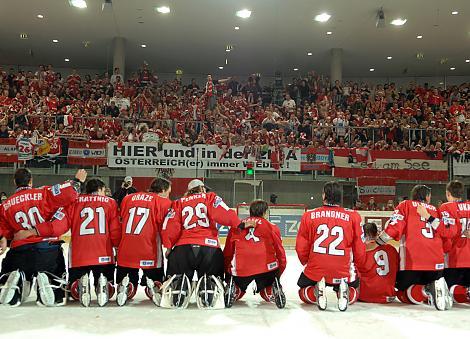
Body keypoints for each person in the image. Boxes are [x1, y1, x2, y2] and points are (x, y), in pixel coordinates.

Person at [26, 179, 121, 307]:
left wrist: (36, 230)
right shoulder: (111, 203)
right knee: (109, 289)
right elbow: (115, 230)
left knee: (73, 293)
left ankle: (78, 285)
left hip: (79, 255)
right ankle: (104, 284)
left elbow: (58, 225)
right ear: (99, 189)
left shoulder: (73, 202)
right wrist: (118, 246)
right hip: (103, 254)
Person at [0, 168, 87, 307]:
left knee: (9, 270)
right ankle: (50, 282)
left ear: (14, 182)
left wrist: (3, 237)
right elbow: (69, 193)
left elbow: (4, 229)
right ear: (31, 181)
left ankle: (16, 283)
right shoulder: (44, 193)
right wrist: (77, 181)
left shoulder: (5, 205)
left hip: (19, 252)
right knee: (56, 272)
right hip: (46, 251)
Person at [160, 179, 249, 309]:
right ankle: (209, 290)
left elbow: (171, 226)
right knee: (212, 276)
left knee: (178, 276)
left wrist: (168, 247)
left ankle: (179, 290)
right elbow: (224, 213)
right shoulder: (210, 197)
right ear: (202, 189)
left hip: (183, 249)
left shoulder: (178, 203)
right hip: (209, 249)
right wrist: (239, 224)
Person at [376, 185, 452, 310]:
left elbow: (395, 227)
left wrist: (379, 241)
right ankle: (431, 288)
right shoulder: (436, 210)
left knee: (402, 294)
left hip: (413, 262)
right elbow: (445, 236)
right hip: (436, 263)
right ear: (427, 197)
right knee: (418, 294)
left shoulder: (405, 205)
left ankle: (425, 289)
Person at [296, 181, 366, 311]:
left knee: (303, 292)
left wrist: (306, 261)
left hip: (316, 268)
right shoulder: (354, 216)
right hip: (343, 268)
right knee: (354, 293)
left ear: (324, 196)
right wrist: (359, 264)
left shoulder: (309, 215)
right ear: (340, 197)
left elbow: (301, 246)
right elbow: (360, 246)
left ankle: (316, 292)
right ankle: (343, 291)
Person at [115, 177, 172, 306]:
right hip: (149, 249)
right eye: (168, 192)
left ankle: (127, 285)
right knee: (155, 279)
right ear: (162, 190)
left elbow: (121, 219)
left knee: (128, 277)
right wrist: (169, 246)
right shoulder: (163, 203)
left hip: (126, 249)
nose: (168, 196)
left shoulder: (128, 198)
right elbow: (166, 228)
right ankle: (153, 286)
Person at [223, 200, 287, 308]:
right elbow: (280, 253)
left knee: (239, 292)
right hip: (266, 267)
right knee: (265, 292)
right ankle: (272, 290)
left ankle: (234, 291)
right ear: (265, 212)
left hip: (242, 267)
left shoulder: (237, 226)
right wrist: (277, 275)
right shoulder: (272, 226)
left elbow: (228, 252)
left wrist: (228, 274)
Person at [416, 180, 470, 304]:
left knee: (449, 292)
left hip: (454, 258)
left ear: (447, 193)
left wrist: (428, 217)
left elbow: (447, 231)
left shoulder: (447, 207)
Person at [358, 222, 398, 303]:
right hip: (388, 295)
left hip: (365, 296)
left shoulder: (361, 250)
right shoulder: (392, 249)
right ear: (377, 233)